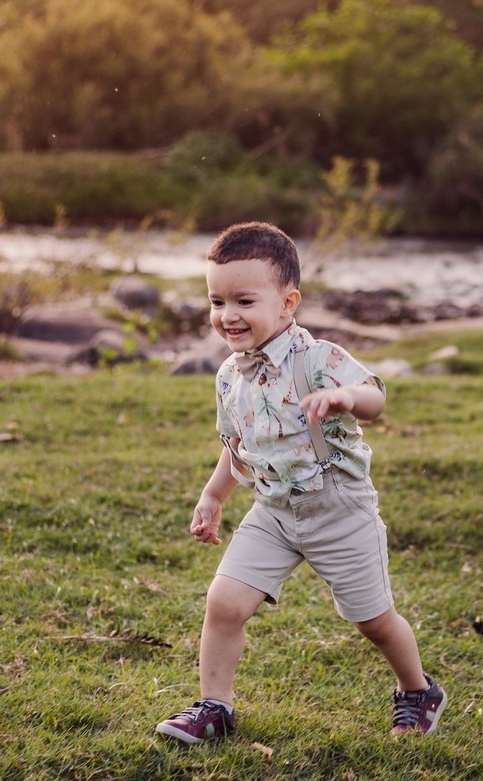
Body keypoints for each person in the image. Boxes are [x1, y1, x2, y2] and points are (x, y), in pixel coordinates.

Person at [155, 221, 445, 744]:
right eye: (216, 302)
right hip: (274, 511)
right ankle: (214, 707)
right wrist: (213, 494)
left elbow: (376, 397)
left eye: (244, 300)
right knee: (223, 603)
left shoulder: (319, 359)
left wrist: (346, 399)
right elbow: (236, 445)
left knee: (373, 620)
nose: (228, 316)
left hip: (338, 506)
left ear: (288, 303)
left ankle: (417, 690)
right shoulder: (228, 376)